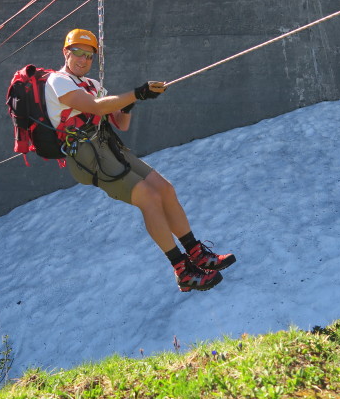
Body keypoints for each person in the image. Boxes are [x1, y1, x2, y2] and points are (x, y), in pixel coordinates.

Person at [44, 28, 236, 291]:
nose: (83, 59)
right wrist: (136, 93)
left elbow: (120, 124)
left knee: (165, 189)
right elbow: (97, 108)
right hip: (88, 156)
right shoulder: (58, 81)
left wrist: (129, 105)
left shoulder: (93, 86)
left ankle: (197, 254)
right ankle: (183, 270)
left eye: (89, 56)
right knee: (149, 196)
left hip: (108, 146)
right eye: (77, 52)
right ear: (66, 52)